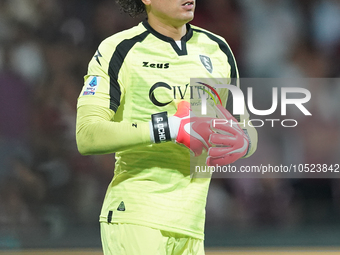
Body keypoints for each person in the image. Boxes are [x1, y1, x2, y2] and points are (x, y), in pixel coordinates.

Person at [76, 0, 258, 254]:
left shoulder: (218, 49)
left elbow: (245, 126)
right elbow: (87, 135)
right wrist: (171, 127)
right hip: (137, 219)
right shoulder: (118, 50)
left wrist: (244, 142)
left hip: (192, 226)